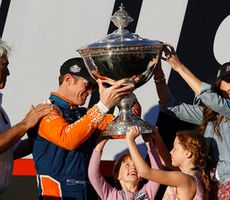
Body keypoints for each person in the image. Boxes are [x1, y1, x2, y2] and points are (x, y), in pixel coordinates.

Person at [153, 44, 230, 199]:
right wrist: (158, 74)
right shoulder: (211, 114)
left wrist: (179, 67)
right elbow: (171, 106)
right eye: (229, 82)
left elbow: (215, 101)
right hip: (209, 187)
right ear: (219, 84)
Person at [28, 57, 134, 200]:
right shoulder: (45, 111)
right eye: (87, 84)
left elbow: (126, 127)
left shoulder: (85, 115)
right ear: (68, 79)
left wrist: (125, 93)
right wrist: (102, 107)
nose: (91, 91)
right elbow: (68, 139)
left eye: (93, 87)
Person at [0, 39, 54, 194]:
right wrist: (26, 123)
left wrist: (44, 134)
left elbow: (11, 151)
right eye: (5, 65)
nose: (8, 73)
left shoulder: (1, 111)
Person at [126, 126, 210, 200]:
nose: (171, 152)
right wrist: (155, 138)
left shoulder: (183, 178)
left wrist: (130, 141)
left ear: (188, 153)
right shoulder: (197, 173)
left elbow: (145, 172)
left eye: (175, 149)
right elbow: (166, 161)